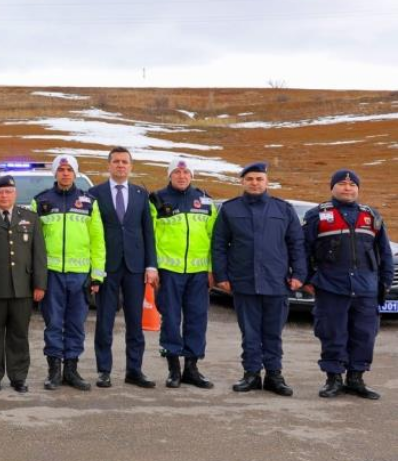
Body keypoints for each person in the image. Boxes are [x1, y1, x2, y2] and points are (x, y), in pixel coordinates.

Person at [212, 162, 306, 397]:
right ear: (242, 182)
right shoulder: (230, 209)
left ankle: (274, 375)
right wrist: (222, 276)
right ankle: (251, 374)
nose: (255, 183)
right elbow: (220, 244)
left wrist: (300, 275)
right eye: (250, 179)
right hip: (244, 282)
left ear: (266, 182)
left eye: (259, 179)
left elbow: (297, 244)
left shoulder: (283, 209)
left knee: (273, 332)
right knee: (250, 332)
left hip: (277, 282)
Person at [303, 169, 393, 400]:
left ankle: (356, 379)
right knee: (333, 333)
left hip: (366, 288)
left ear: (358, 189)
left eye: (352, 185)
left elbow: (384, 253)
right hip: (332, 287)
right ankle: (333, 379)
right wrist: (308, 279)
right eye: (342, 184)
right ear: (332, 187)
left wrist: (383, 284)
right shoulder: (317, 216)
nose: (347, 188)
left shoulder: (372, 216)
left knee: (364, 334)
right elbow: (302, 250)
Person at [32, 154, 105, 391]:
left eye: (69, 169)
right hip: (51, 274)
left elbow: (97, 240)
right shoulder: (41, 202)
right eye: (61, 169)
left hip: (80, 275)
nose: (65, 173)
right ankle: (54, 371)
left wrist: (97, 275)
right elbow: (34, 243)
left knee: (75, 324)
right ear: (55, 173)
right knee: (53, 323)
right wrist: (36, 276)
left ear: (75, 173)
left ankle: (71, 371)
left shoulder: (89, 202)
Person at [0, 176, 47, 393]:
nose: (4, 196)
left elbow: (39, 254)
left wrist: (39, 284)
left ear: (15, 194)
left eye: (9, 192)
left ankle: (18, 377)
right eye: (0, 192)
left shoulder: (30, 219)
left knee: (19, 334)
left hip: (22, 288)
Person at [89, 147, 157, 389]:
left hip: (135, 266)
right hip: (107, 266)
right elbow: (91, 233)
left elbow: (148, 232)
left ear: (131, 166)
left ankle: (134, 370)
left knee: (134, 321)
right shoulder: (94, 193)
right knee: (105, 319)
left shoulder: (141, 194)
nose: (120, 165)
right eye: (116, 161)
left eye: (125, 162)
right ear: (109, 165)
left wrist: (151, 265)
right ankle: (104, 370)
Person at [149, 157, 216, 389]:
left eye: (186, 173)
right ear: (170, 175)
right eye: (177, 172)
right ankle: (173, 368)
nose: (181, 176)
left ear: (192, 176)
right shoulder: (157, 199)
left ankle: (192, 368)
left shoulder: (205, 199)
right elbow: (150, 237)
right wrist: (153, 267)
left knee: (197, 319)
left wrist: (211, 268)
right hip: (169, 272)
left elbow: (213, 237)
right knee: (170, 319)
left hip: (198, 273)